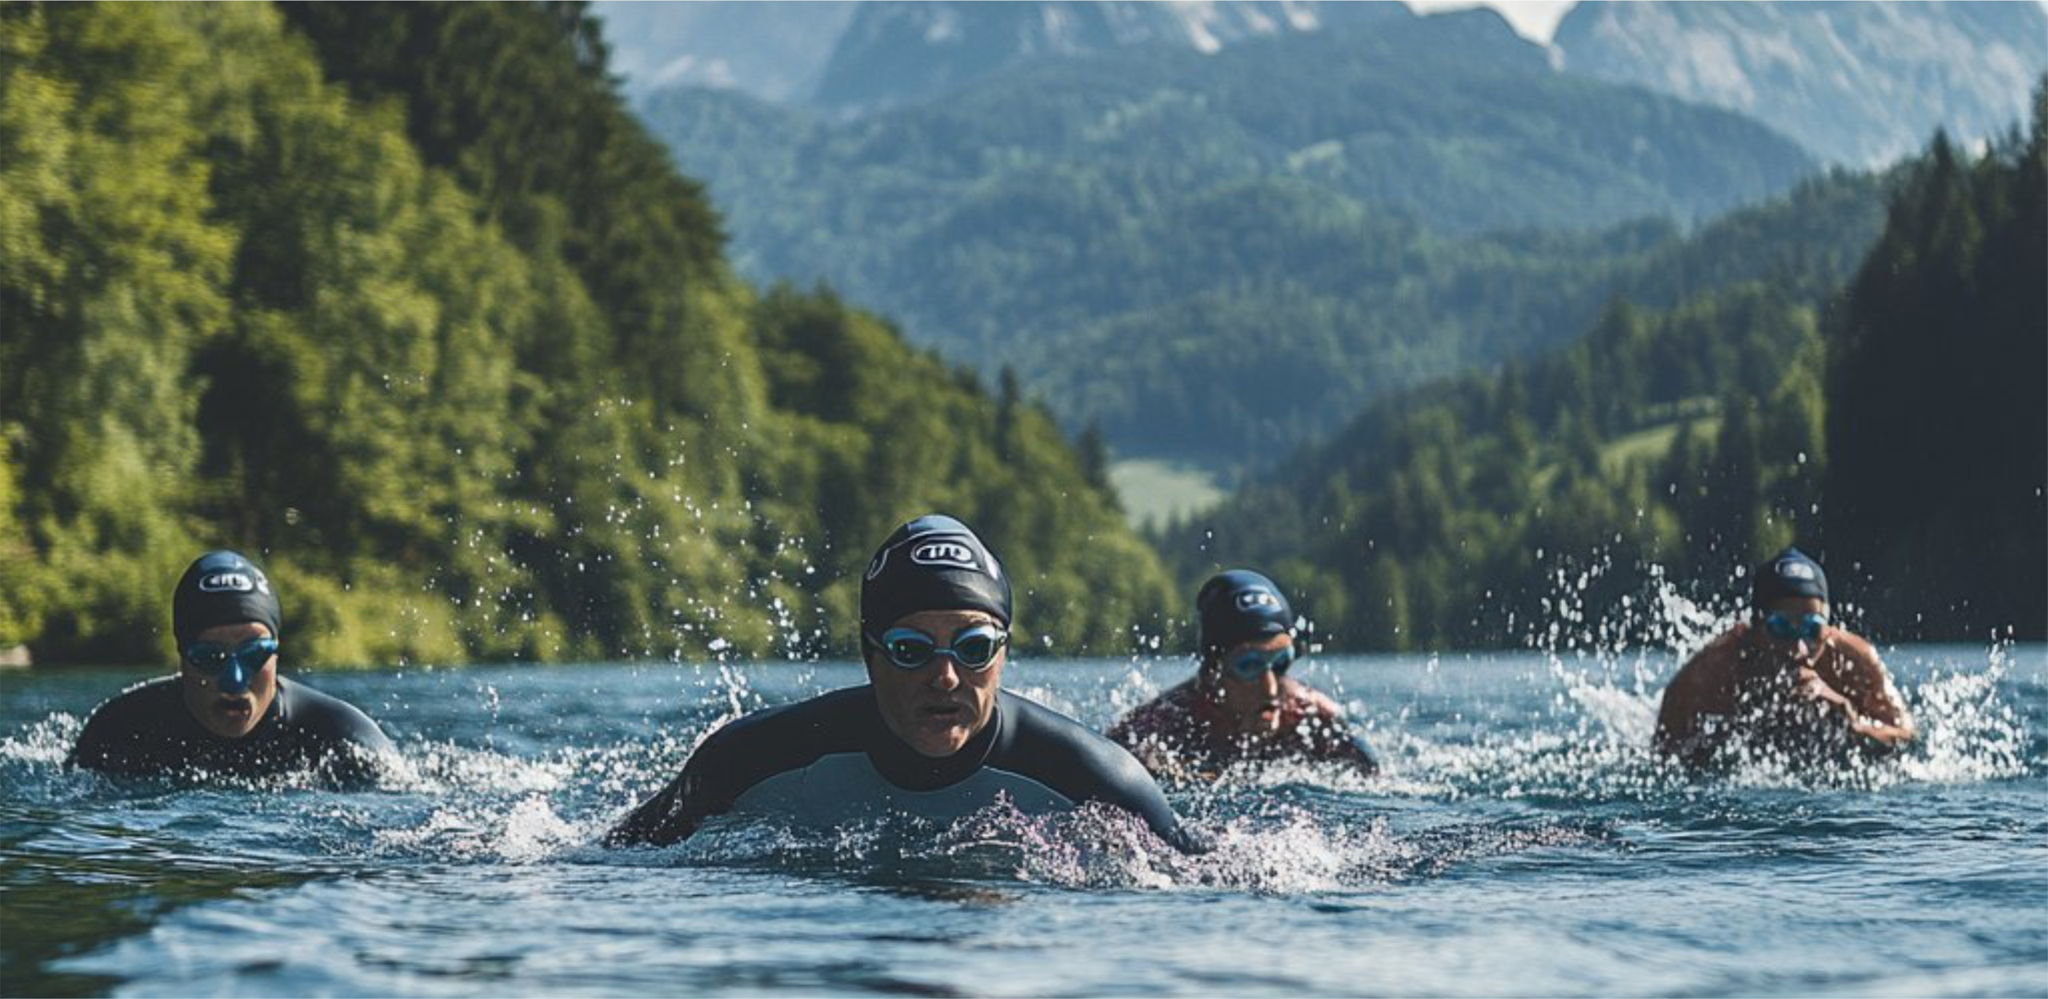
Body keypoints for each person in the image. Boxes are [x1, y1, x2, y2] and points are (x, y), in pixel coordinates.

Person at [607, 514, 1208, 853]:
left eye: (972, 648)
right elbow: (610, 864)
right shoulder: (748, 760)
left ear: (1004, 654)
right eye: (910, 649)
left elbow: (1214, 884)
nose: (943, 676)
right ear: (870, 654)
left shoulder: (1097, 779)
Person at [69, 550, 395, 783]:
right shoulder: (120, 733)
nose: (235, 681)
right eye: (211, 658)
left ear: (277, 653)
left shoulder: (344, 738)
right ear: (182, 658)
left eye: (254, 654)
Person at [1654, 547, 1915, 769]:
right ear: (1755, 628)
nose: (1799, 647)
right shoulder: (1713, 670)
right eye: (1781, 628)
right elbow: (1663, 764)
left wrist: (1854, 725)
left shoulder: (1853, 660)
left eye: (1812, 628)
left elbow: (1907, 737)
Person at [1108, 569, 1378, 781]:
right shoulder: (1158, 729)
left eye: (1281, 663)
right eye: (1249, 666)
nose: (1270, 688)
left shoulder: (1312, 718)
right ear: (1213, 672)